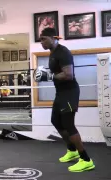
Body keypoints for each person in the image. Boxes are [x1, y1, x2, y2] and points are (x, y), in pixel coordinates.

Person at [34, 27, 95, 172]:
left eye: (44, 39)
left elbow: (69, 75)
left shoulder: (63, 52)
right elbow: (57, 72)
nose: (41, 42)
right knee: (56, 120)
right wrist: (49, 74)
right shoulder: (52, 53)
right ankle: (72, 150)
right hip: (60, 92)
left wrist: (49, 76)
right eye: (40, 40)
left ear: (54, 38)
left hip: (70, 92)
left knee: (68, 124)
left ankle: (86, 159)